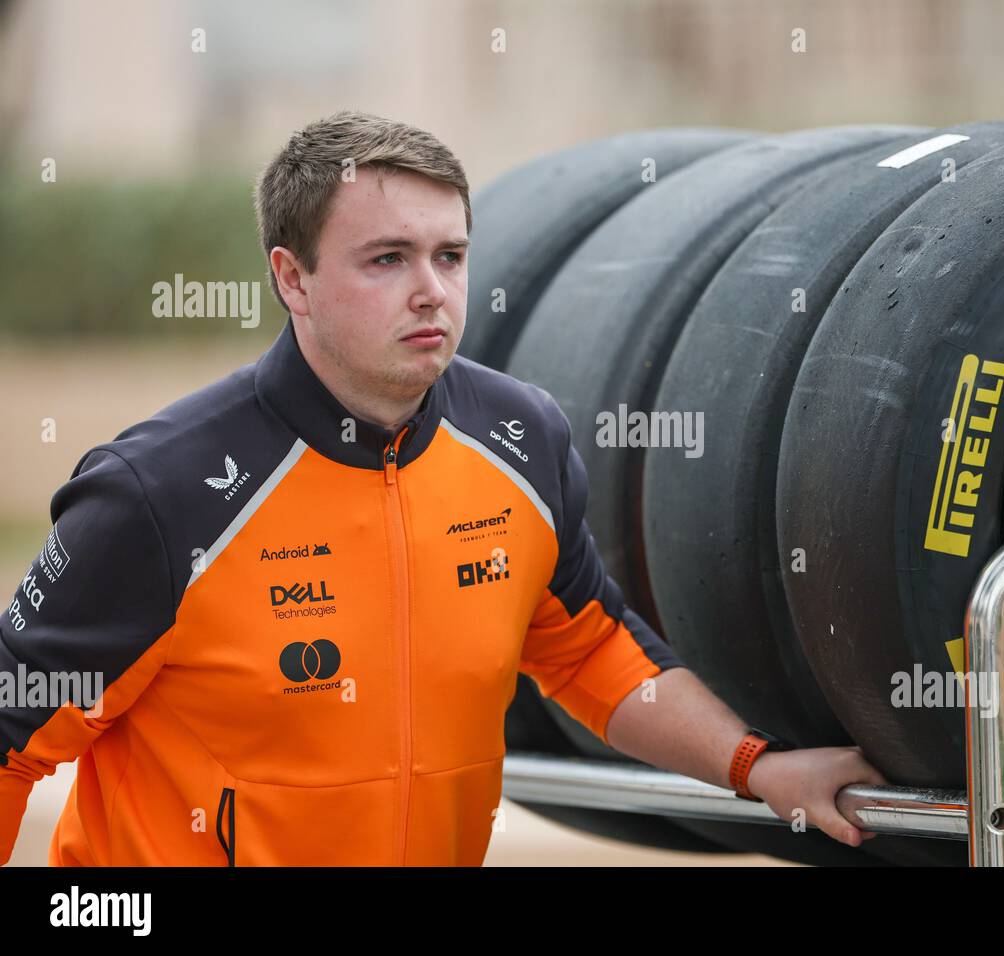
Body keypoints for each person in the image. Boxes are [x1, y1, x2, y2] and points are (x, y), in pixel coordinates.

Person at [0, 110, 884, 866]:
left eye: (450, 256)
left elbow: (588, 653)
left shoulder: (522, 437)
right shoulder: (159, 493)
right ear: (292, 278)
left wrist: (756, 768)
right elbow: (11, 738)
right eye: (387, 259)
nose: (432, 293)